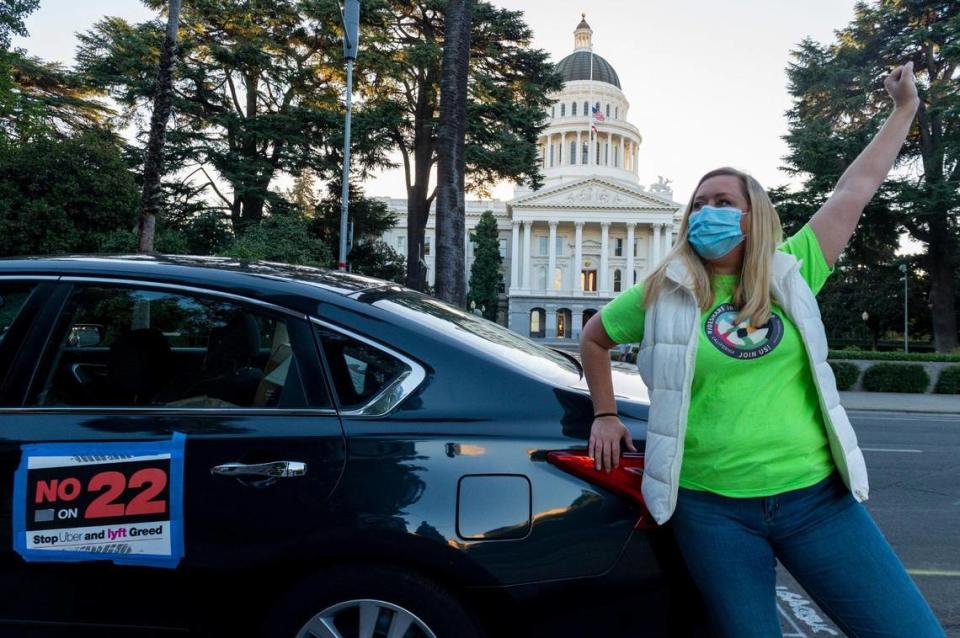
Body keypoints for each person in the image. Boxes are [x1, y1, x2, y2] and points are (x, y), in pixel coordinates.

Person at [579, 62, 945, 637]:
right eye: (698, 204)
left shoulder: (793, 269)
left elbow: (855, 189)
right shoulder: (663, 290)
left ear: (753, 216)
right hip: (711, 511)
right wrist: (604, 413)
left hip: (816, 501)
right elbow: (595, 338)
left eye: (721, 201)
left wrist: (903, 110)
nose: (706, 212)